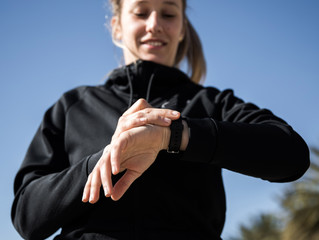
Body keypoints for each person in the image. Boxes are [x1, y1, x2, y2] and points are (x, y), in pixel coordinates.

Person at [11, 0, 310, 239]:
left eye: (168, 13)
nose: (154, 25)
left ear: (181, 29)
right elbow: (27, 217)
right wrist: (106, 160)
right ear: (117, 27)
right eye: (141, 12)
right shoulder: (72, 106)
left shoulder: (212, 103)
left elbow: (292, 154)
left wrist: (175, 136)